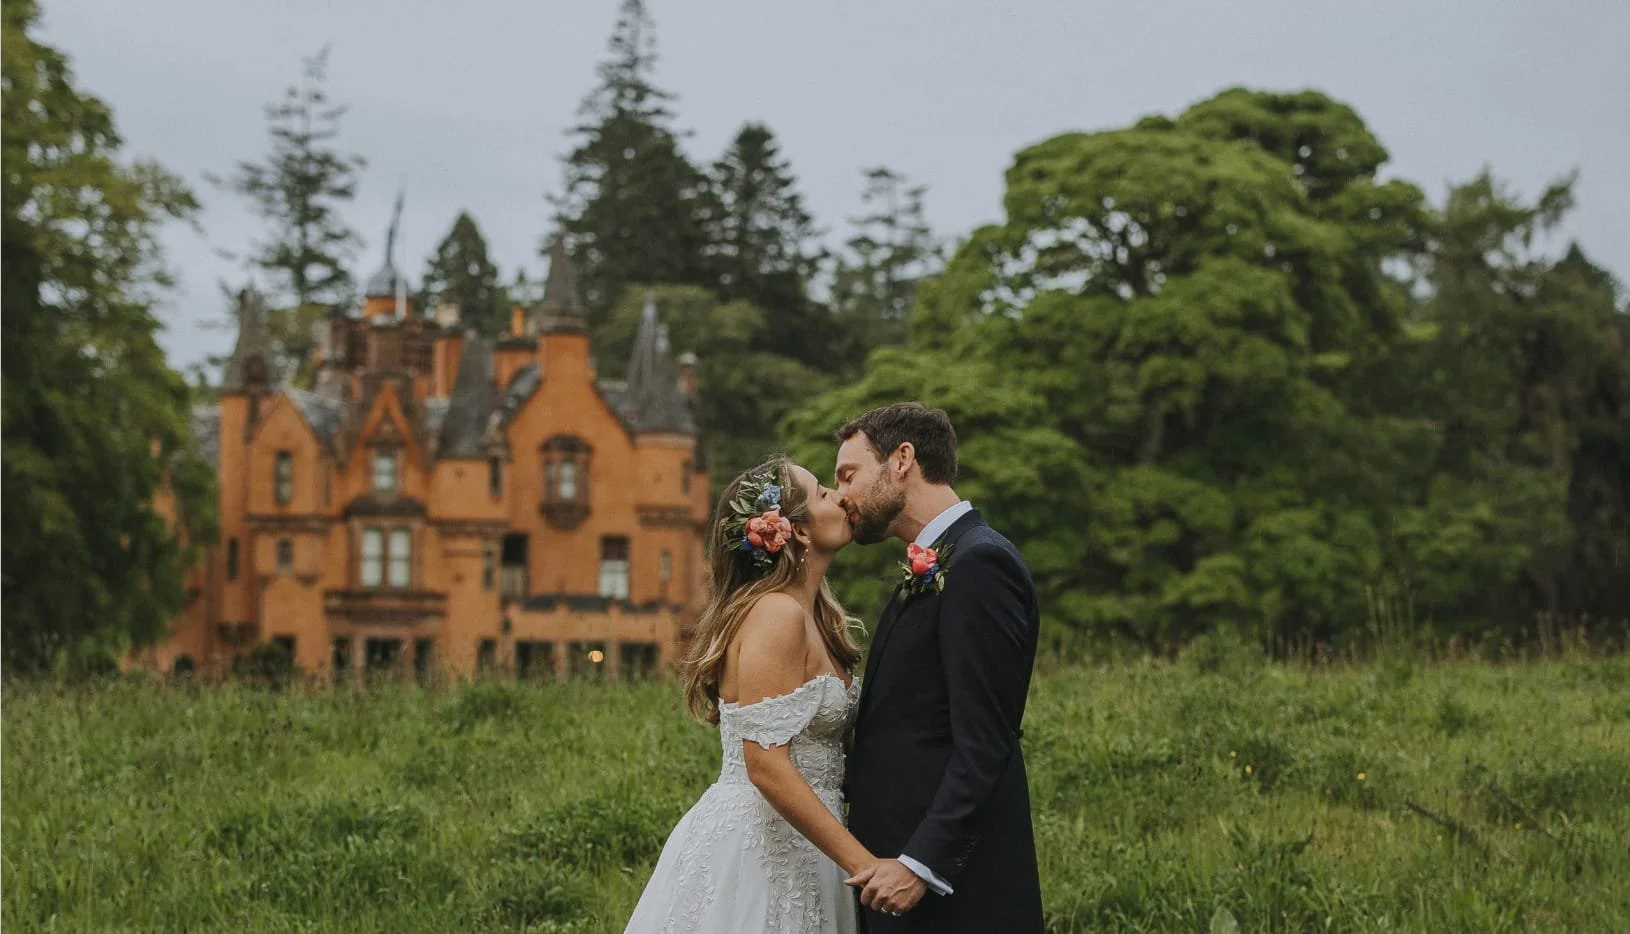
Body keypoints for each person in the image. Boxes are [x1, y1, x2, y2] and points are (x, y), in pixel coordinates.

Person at [626, 456, 872, 933]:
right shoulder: (776, 613)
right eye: (823, 494)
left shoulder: (818, 618)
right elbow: (765, 764)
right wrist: (864, 864)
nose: (840, 497)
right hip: (764, 848)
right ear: (797, 531)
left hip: (811, 844)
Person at [835, 402, 1045, 932]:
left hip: (956, 893)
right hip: (897, 877)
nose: (841, 495)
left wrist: (921, 864)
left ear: (902, 459)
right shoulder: (934, 561)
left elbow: (986, 740)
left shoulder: (978, 563)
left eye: (848, 474)